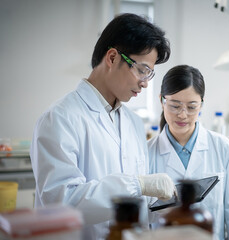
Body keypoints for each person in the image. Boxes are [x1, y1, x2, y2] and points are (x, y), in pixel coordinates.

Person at [30, 13, 176, 240]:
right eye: (142, 70)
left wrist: (165, 203)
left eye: (150, 73)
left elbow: (140, 205)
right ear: (112, 58)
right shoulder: (60, 119)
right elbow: (62, 203)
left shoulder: (134, 123)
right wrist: (136, 185)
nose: (145, 83)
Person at [147, 65, 229, 240]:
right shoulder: (146, 153)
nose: (183, 115)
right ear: (161, 100)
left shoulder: (222, 147)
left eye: (191, 107)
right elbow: (142, 221)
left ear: (201, 105)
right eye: (175, 106)